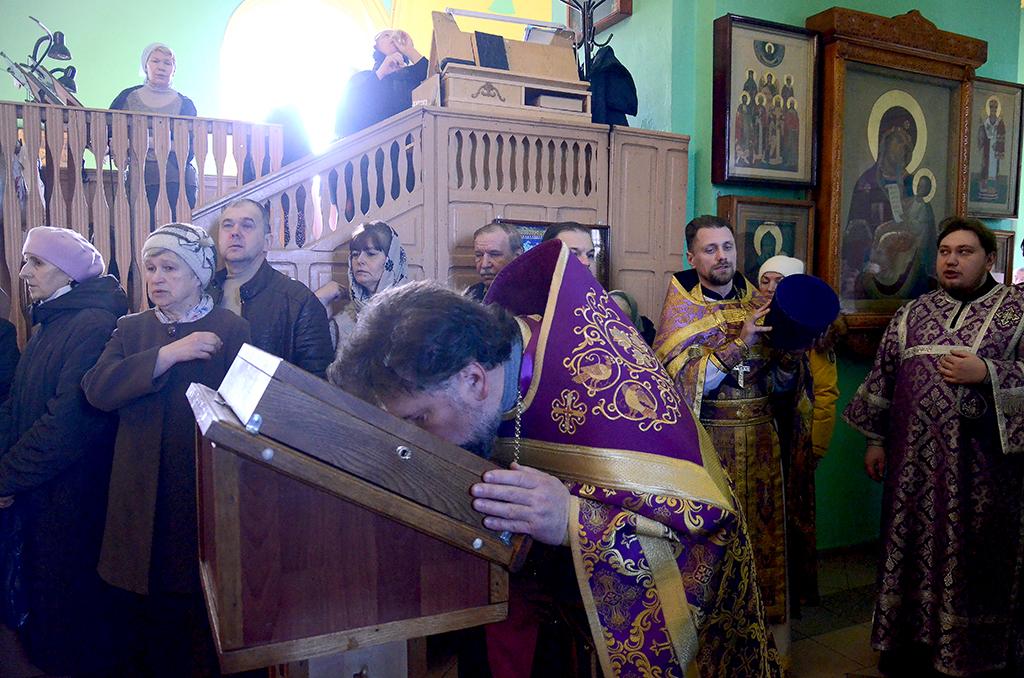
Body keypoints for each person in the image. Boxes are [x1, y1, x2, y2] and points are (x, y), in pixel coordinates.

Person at [329, 239, 782, 677]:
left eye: (419, 419)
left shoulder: (601, 393)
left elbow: (708, 530)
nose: (416, 438)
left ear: (473, 380)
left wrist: (572, 519)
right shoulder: (493, 369)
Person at [843, 217, 1024, 677]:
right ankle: (907, 645)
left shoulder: (1017, 312)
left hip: (982, 474)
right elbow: (883, 379)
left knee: (973, 558)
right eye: (945, 252)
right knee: (908, 551)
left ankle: (972, 651)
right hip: (913, 473)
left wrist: (988, 373)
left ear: (989, 258)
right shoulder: (912, 313)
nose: (952, 260)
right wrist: (875, 440)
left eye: (964, 252)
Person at [82, 223, 249, 676]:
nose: (157, 278)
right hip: (136, 492)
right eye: (151, 267)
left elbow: (248, 411)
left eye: (170, 268)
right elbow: (97, 389)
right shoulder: (130, 328)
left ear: (198, 274)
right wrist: (170, 354)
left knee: (194, 618)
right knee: (140, 620)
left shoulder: (230, 328)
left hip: (198, 488)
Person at [652, 216, 801, 651]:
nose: (722, 256)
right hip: (710, 445)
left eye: (728, 247)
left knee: (764, 540)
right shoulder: (680, 311)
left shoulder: (758, 302)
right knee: (714, 542)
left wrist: (790, 358)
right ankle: (713, 648)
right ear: (692, 257)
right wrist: (739, 344)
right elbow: (675, 383)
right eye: (711, 249)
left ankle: (768, 650)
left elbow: (781, 388)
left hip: (761, 442)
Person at [0, 227, 126, 674]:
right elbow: (18, 405)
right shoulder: (52, 319)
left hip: (71, 498)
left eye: (36, 262)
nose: (24, 273)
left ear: (68, 272)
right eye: (25, 261)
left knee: (72, 619)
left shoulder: (91, 324)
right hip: (42, 492)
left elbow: (67, 426)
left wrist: (5, 477)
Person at [757, 255, 840, 615]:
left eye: (779, 282)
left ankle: (790, 596)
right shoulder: (753, 323)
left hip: (796, 443)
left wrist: (815, 447)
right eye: (765, 280)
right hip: (760, 438)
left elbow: (824, 397)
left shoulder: (813, 335)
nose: (770, 288)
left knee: (791, 520)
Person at [209, 198, 333, 378]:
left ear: (268, 241)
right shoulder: (201, 291)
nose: (235, 232)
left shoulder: (299, 301)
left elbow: (315, 384)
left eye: (247, 225)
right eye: (228, 225)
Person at [109, 43, 198, 221]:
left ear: (173, 69)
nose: (161, 67)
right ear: (146, 65)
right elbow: (110, 133)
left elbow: (189, 149)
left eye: (167, 63)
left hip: (176, 177)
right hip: (140, 175)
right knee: (143, 225)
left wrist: (144, 142)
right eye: (155, 61)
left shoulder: (185, 104)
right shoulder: (128, 98)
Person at [316, 220, 408, 351]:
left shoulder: (413, 314)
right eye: (355, 254)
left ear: (392, 259)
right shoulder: (343, 322)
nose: (359, 260)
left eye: (371, 254)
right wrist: (318, 299)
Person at [336, 29, 428, 137]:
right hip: (372, 143)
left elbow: (434, 80)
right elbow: (348, 114)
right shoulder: (363, 78)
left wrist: (410, 50)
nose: (393, 37)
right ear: (376, 46)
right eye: (386, 35)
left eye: (396, 35)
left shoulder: (410, 77)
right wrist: (381, 73)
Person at [464, 222, 523, 302]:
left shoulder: (535, 297)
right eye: (479, 255)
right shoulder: (470, 295)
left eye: (494, 254)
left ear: (517, 256)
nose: (484, 265)